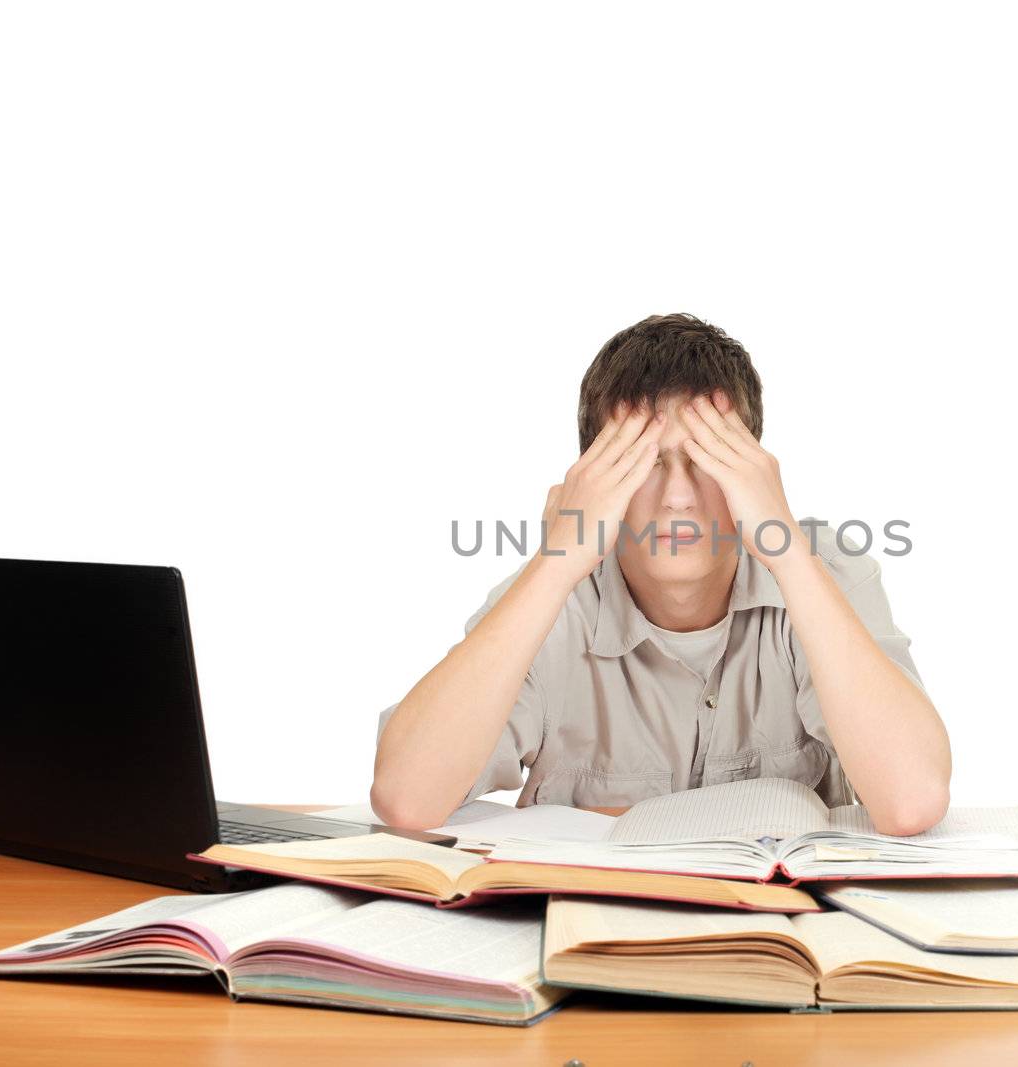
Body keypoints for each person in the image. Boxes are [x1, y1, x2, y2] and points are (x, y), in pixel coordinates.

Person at [371, 313, 951, 834]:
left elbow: (912, 801)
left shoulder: (828, 574)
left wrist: (787, 548)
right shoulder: (551, 599)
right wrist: (556, 564)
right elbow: (406, 800)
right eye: (642, 465)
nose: (678, 498)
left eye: (708, 460)